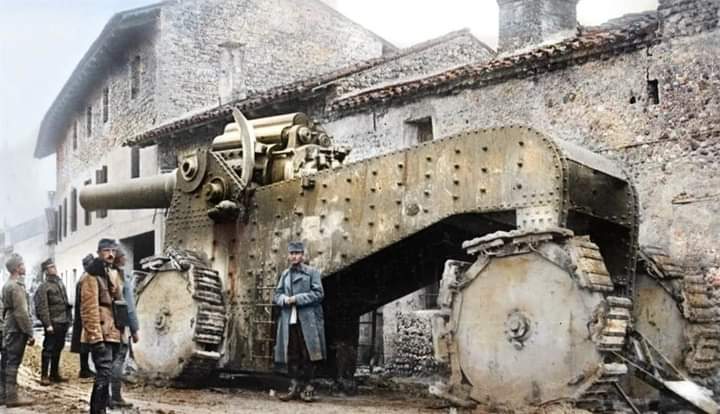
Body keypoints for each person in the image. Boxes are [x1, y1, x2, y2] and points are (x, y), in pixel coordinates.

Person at [273, 241, 326, 403]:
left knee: (308, 353)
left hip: (308, 319)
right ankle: (294, 386)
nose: (294, 256)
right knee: (292, 353)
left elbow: (318, 293)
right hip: (290, 320)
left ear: (303, 255)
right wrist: (283, 299)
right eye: (292, 253)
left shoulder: (312, 273)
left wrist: (297, 298)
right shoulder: (285, 275)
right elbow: (277, 294)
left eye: (297, 253)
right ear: (288, 256)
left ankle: (308, 387)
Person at [79, 239, 122, 414]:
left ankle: (101, 409)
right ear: (98, 253)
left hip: (113, 332)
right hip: (101, 333)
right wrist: (95, 338)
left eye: (113, 250)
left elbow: (118, 302)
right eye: (106, 250)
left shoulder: (111, 273)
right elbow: (89, 310)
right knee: (103, 374)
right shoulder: (91, 276)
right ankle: (96, 411)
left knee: (107, 374)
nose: (111, 254)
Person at [1, 253, 35, 407]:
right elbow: (21, 312)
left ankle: (3, 395)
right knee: (13, 362)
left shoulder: (8, 284)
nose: (24, 267)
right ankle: (12, 397)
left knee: (7, 361)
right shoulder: (16, 286)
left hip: (10, 326)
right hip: (16, 328)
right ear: (16, 268)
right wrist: (29, 332)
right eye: (22, 264)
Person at [108, 248, 139, 409]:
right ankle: (116, 397)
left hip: (108, 325)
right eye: (124, 256)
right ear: (120, 259)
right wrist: (134, 329)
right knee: (118, 360)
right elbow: (129, 307)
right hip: (121, 325)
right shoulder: (122, 278)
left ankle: (106, 397)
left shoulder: (108, 275)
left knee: (109, 361)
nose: (126, 259)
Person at [35, 258, 72, 385]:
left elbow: (65, 302)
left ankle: (54, 374)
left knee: (58, 348)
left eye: (54, 266)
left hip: (62, 321)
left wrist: (68, 320)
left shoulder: (59, 283)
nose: (54, 269)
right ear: (46, 271)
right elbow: (42, 307)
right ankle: (44, 376)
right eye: (51, 267)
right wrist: (48, 324)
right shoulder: (43, 287)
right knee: (48, 349)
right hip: (53, 323)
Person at [71, 254, 96, 379]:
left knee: (85, 343)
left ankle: (85, 369)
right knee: (85, 344)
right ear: (86, 265)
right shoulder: (85, 278)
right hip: (84, 315)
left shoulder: (83, 278)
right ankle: (84, 369)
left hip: (82, 314)